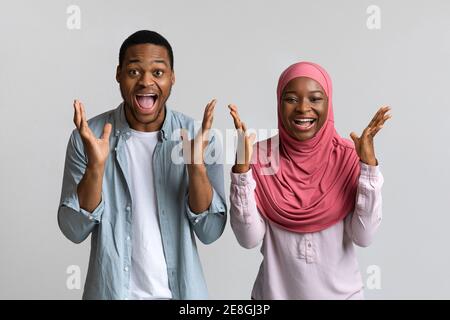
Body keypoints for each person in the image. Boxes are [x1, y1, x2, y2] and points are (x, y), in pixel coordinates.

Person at [57, 30, 227, 300]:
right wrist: (96, 169)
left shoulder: (199, 138)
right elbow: (74, 229)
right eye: (134, 71)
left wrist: (196, 168)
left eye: (158, 73)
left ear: (172, 77)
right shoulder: (89, 137)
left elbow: (210, 231)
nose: (146, 81)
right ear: (118, 74)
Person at [228, 61, 391, 299]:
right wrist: (242, 171)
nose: (303, 108)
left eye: (315, 99)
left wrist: (368, 168)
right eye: (291, 99)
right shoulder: (260, 157)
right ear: (278, 102)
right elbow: (249, 239)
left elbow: (363, 237)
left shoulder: (348, 156)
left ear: (329, 103)